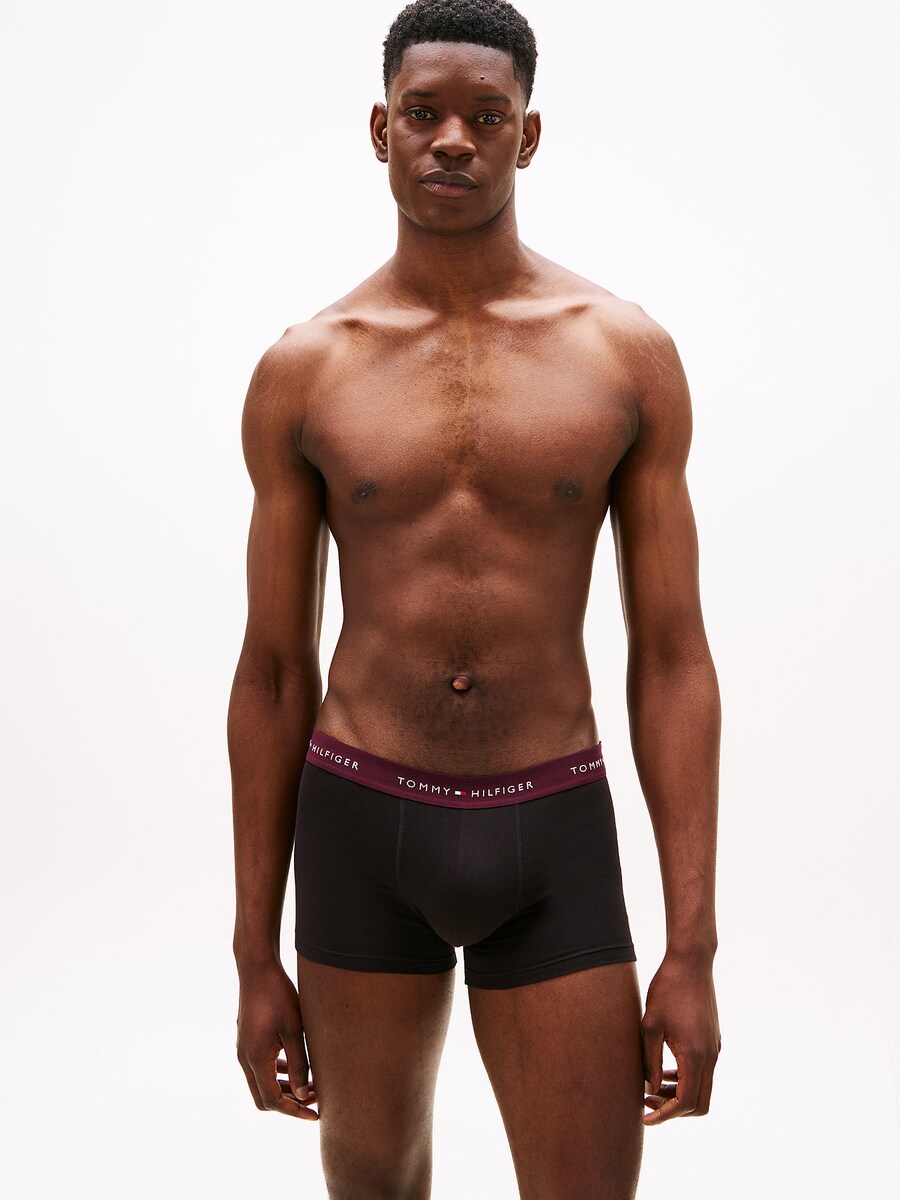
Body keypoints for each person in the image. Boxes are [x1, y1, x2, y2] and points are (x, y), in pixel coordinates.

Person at [227, 0, 722, 1195]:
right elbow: (274, 671)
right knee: (377, 1186)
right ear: (381, 129)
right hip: (360, 824)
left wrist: (692, 949)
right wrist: (252, 955)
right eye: (425, 113)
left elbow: (672, 657)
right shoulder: (308, 368)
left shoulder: (622, 354)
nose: (453, 138)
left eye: (486, 117)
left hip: (550, 825)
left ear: (528, 136)